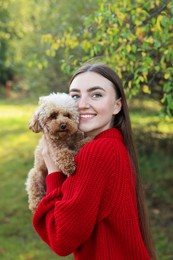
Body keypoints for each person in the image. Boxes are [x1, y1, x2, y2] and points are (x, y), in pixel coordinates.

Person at [32, 63, 156, 259]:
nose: (82, 104)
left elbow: (61, 239)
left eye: (96, 94)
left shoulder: (96, 152)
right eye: (75, 96)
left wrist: (54, 172)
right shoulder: (114, 145)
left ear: (117, 105)